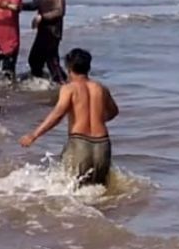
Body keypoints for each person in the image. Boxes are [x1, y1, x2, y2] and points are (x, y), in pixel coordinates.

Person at [19, 48, 118, 186]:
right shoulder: (101, 88)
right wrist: (96, 118)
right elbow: (114, 112)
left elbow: (58, 114)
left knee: (71, 193)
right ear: (88, 67)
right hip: (103, 145)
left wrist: (34, 135)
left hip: (80, 144)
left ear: (69, 67)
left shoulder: (69, 88)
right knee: (99, 191)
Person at [23, 0, 67, 83]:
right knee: (36, 60)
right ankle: (45, 83)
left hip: (53, 31)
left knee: (50, 61)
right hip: (44, 30)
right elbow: (34, 5)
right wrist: (15, 6)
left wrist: (42, 17)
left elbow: (60, 11)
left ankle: (62, 86)